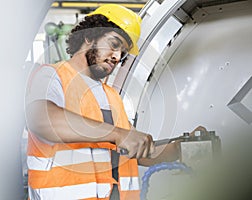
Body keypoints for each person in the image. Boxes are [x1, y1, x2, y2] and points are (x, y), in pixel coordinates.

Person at [25, 4, 198, 199]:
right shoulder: (52, 75)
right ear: (89, 36)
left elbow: (135, 150)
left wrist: (184, 147)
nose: (117, 57)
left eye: (123, 53)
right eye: (114, 44)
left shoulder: (111, 96)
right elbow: (43, 120)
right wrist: (117, 134)